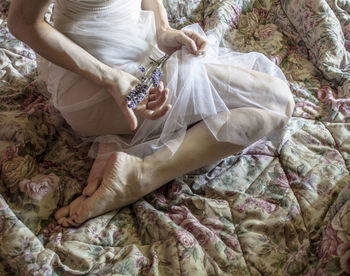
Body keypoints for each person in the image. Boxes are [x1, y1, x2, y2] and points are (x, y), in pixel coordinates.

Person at [8, 0, 295, 227]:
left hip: (139, 54)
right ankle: (142, 175)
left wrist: (163, 30)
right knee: (277, 102)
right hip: (94, 81)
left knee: (260, 107)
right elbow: (22, 22)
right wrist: (111, 80)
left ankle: (124, 140)